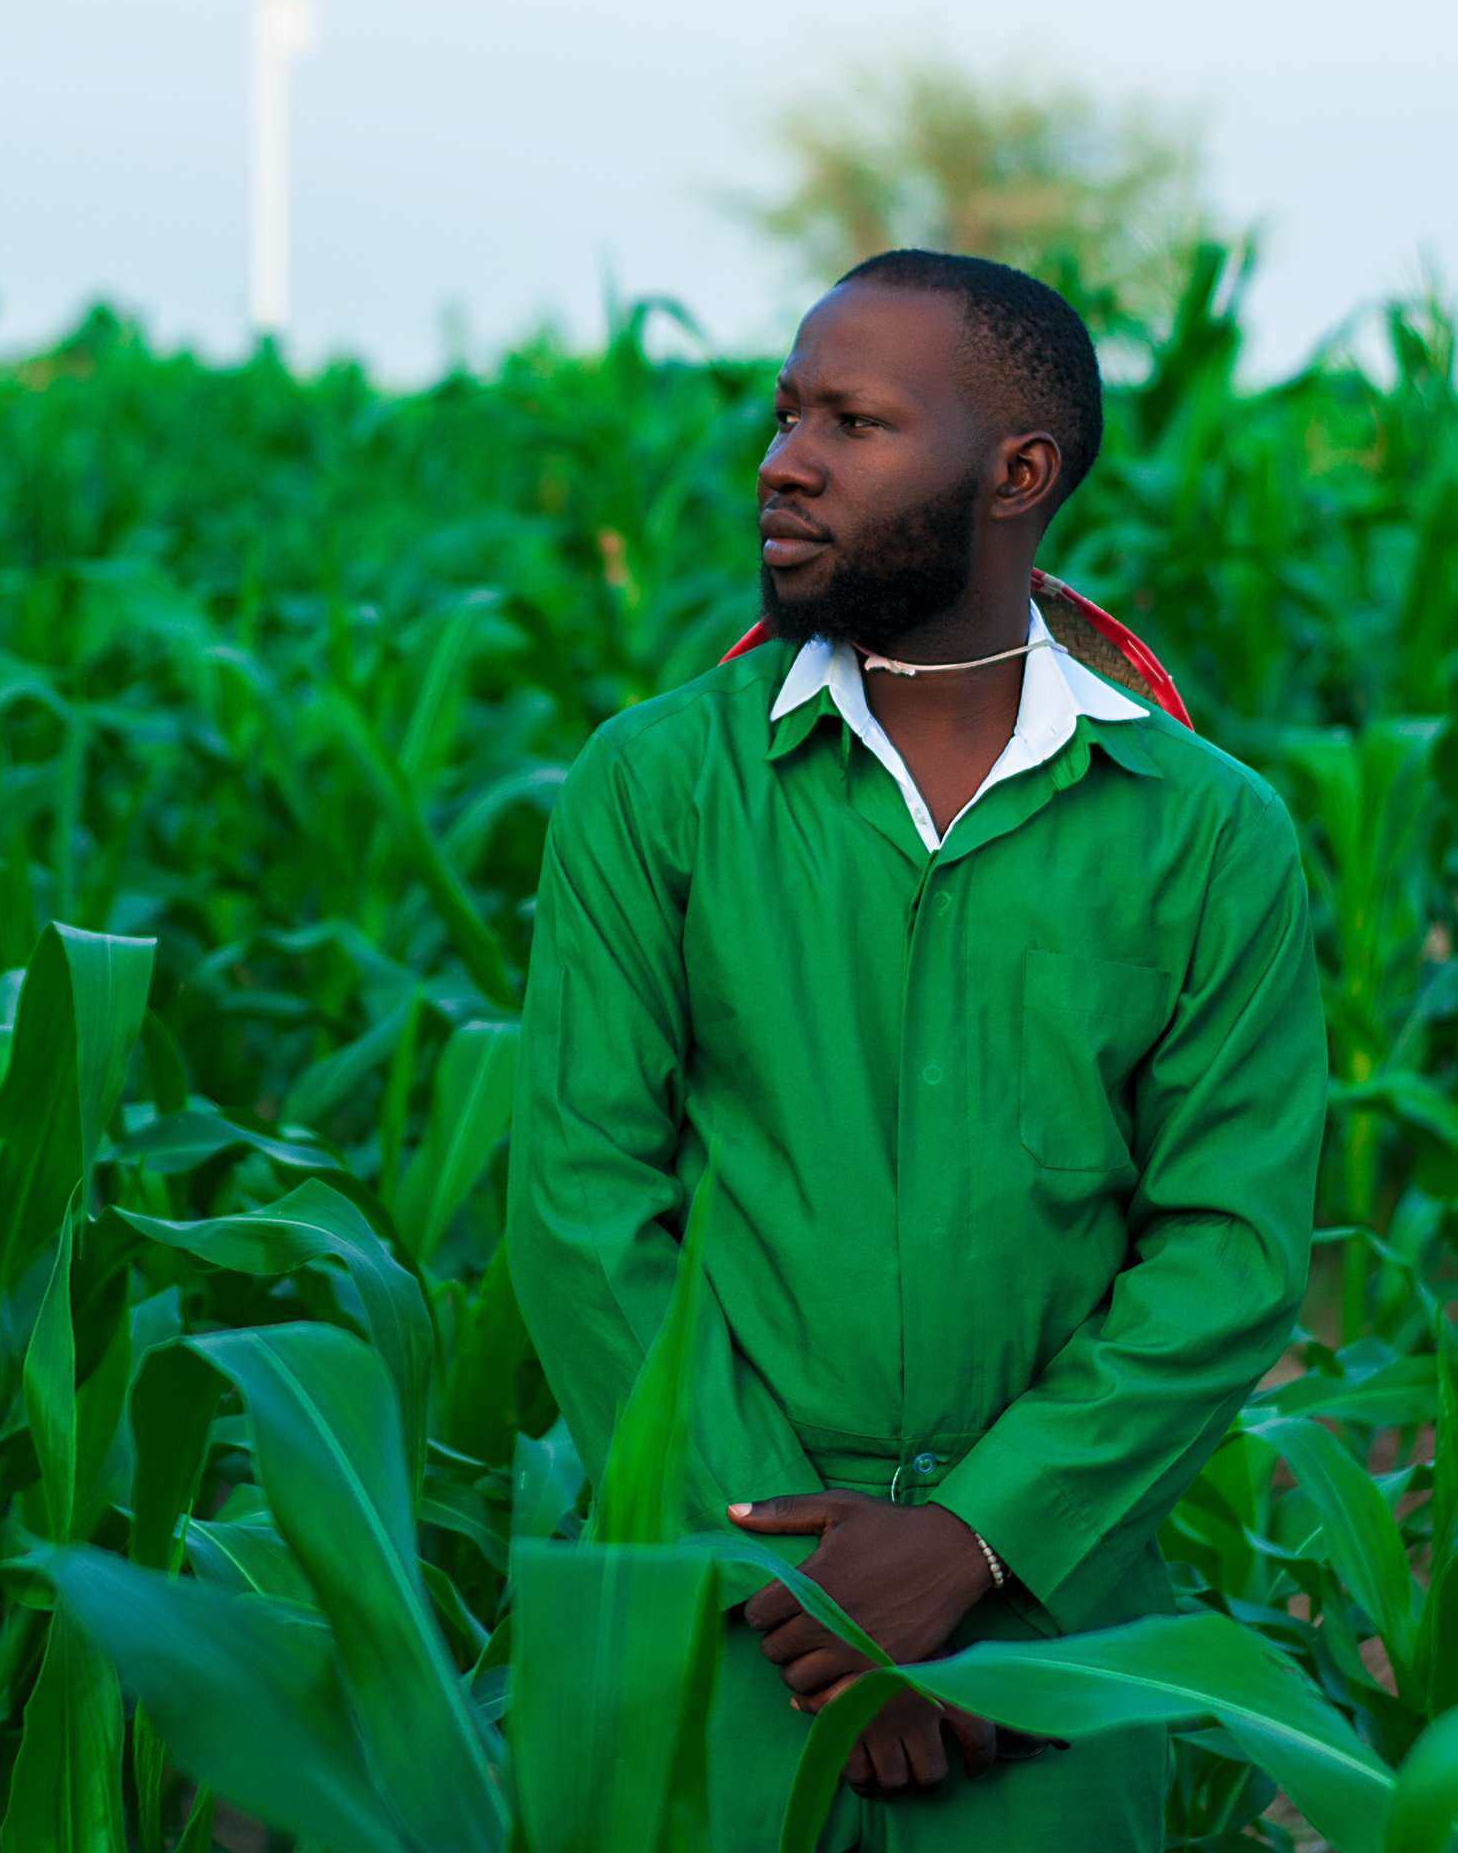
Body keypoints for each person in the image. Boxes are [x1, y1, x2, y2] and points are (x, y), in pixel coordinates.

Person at [505, 249, 1330, 1853]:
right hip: (713, 1621)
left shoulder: (1205, 833)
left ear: (1017, 474)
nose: (783, 462)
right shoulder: (658, 787)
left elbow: (1225, 1254)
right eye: (784, 415)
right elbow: (583, 1209)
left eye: (854, 423)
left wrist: (971, 1546)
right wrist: (804, 1588)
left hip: (1048, 1644)